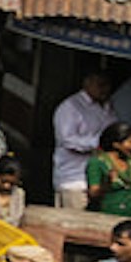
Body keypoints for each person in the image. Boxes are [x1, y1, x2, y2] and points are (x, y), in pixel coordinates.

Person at [49, 66, 120, 209]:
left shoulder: (107, 107)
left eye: (107, 86)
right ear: (87, 83)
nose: (105, 90)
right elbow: (67, 140)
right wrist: (100, 142)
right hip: (74, 179)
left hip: (100, 179)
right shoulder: (70, 107)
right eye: (101, 85)